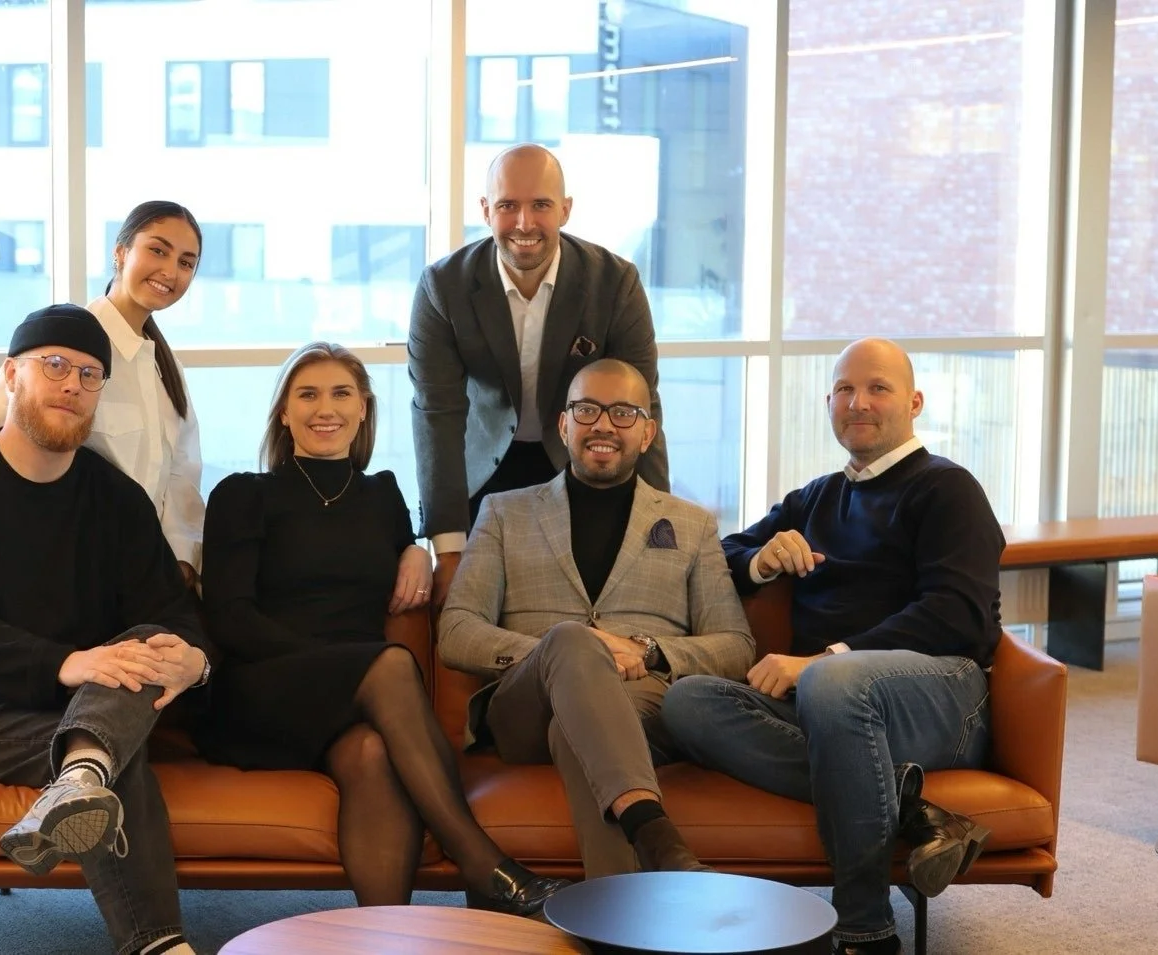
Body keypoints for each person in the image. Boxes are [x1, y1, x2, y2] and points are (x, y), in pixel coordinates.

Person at [196, 342, 568, 915]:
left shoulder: (382, 494)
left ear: (364, 408)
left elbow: (395, 544)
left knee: (371, 753)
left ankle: (382, 936)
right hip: (262, 689)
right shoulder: (244, 495)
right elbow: (229, 617)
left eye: (342, 393)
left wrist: (414, 548)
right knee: (390, 662)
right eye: (308, 394)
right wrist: (337, 670)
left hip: (359, 703)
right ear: (284, 412)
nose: (327, 408)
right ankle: (485, 868)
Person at [660, 338, 1003, 955]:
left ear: (915, 402)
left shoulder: (947, 488)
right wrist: (760, 560)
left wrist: (825, 659)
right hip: (830, 707)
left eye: (877, 388)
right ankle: (908, 802)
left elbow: (959, 616)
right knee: (687, 700)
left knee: (831, 683)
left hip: (942, 695)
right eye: (845, 390)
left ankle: (866, 929)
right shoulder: (817, 497)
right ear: (829, 403)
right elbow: (721, 553)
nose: (858, 402)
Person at [0, 304, 214, 955]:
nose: (72, 384)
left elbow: (171, 613)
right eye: (55, 365)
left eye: (89, 374)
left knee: (144, 646)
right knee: (110, 751)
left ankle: (79, 776)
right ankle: (157, 939)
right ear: (12, 375)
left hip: (75, 705)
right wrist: (66, 662)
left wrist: (194, 658)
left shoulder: (115, 499)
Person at [438, 358, 753, 879]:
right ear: (564, 425)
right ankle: (659, 848)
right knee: (570, 641)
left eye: (623, 412)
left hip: (644, 707)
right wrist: (565, 653)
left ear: (648, 432)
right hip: (525, 713)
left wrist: (650, 650)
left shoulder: (692, 524)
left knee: (576, 730)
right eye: (587, 409)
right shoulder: (502, 512)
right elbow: (456, 631)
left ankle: (620, 916)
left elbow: (737, 645)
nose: (603, 424)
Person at [408, 143, 669, 609]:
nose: (524, 224)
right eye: (508, 206)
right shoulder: (442, 288)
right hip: (482, 468)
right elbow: (437, 416)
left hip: (577, 464)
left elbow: (640, 408)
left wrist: (660, 527)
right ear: (486, 210)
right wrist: (447, 553)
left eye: (541, 206)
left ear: (565, 210)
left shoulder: (615, 283)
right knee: (477, 604)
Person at [0, 200, 207, 586]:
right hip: (73, 568)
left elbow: (182, 473)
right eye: (157, 250)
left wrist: (181, 562)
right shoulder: (69, 341)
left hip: (142, 573)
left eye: (186, 262)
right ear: (121, 251)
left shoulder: (165, 365)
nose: (170, 270)